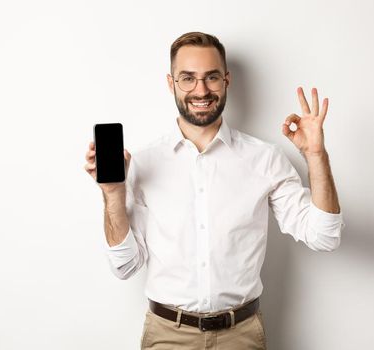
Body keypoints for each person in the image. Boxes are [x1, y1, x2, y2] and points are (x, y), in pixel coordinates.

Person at [83, 32, 345, 349]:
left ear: (227, 80)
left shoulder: (265, 159)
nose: (201, 90)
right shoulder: (143, 163)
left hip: (242, 335)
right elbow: (125, 265)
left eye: (211, 77)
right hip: (168, 336)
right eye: (188, 78)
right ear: (171, 83)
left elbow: (324, 237)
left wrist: (316, 156)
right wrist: (112, 194)